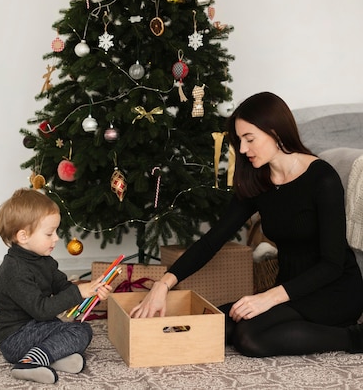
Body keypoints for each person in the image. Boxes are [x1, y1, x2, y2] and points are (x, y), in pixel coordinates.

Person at [131, 92, 363, 357]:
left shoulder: (322, 178)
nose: (242, 150)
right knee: (222, 323)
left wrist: (268, 297)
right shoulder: (257, 180)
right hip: (289, 289)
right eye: (239, 141)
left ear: (275, 132)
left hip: (333, 291)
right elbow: (212, 241)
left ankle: (353, 337)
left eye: (249, 139)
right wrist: (164, 285)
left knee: (249, 338)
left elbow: (332, 265)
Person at [0, 188, 112, 384]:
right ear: (23, 237)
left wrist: (92, 291)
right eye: (49, 233)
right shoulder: (13, 269)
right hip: (14, 338)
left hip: (37, 327)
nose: (56, 238)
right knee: (79, 332)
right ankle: (29, 363)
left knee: (80, 328)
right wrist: (78, 292)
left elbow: (64, 288)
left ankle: (47, 357)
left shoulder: (44, 261)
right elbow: (41, 310)